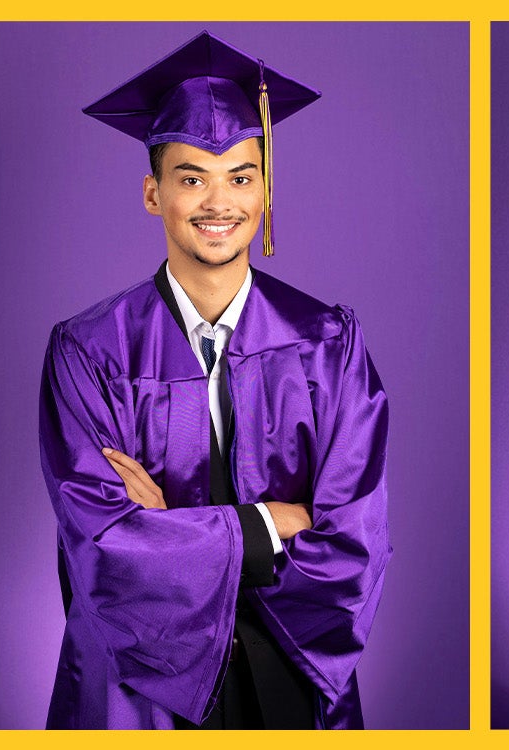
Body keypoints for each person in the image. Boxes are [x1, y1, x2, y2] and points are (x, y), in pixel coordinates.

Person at [39, 32, 390, 730]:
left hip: (288, 656)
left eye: (241, 176)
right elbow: (104, 541)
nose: (218, 202)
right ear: (152, 193)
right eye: (191, 177)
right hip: (138, 677)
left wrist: (171, 529)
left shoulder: (326, 341)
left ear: (264, 188)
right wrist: (269, 525)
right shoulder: (87, 350)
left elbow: (355, 535)